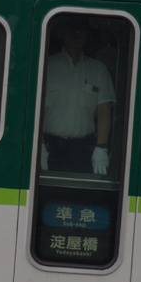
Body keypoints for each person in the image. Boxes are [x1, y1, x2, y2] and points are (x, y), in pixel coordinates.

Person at [41, 16, 115, 174]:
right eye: (71, 29)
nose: (76, 34)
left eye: (80, 30)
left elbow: (104, 111)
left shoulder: (98, 69)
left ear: (87, 35)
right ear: (61, 33)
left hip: (83, 149)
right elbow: (35, 109)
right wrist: (37, 144)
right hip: (49, 147)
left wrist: (101, 147)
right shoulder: (45, 66)